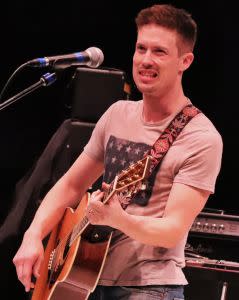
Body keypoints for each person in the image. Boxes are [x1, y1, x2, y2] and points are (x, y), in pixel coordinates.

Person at [13, 4, 223, 300]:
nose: (146, 60)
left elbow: (173, 230)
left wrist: (116, 218)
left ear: (184, 61)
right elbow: (72, 185)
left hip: (149, 286)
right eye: (141, 49)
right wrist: (33, 235)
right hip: (81, 275)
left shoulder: (200, 137)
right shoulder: (117, 114)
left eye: (159, 52)